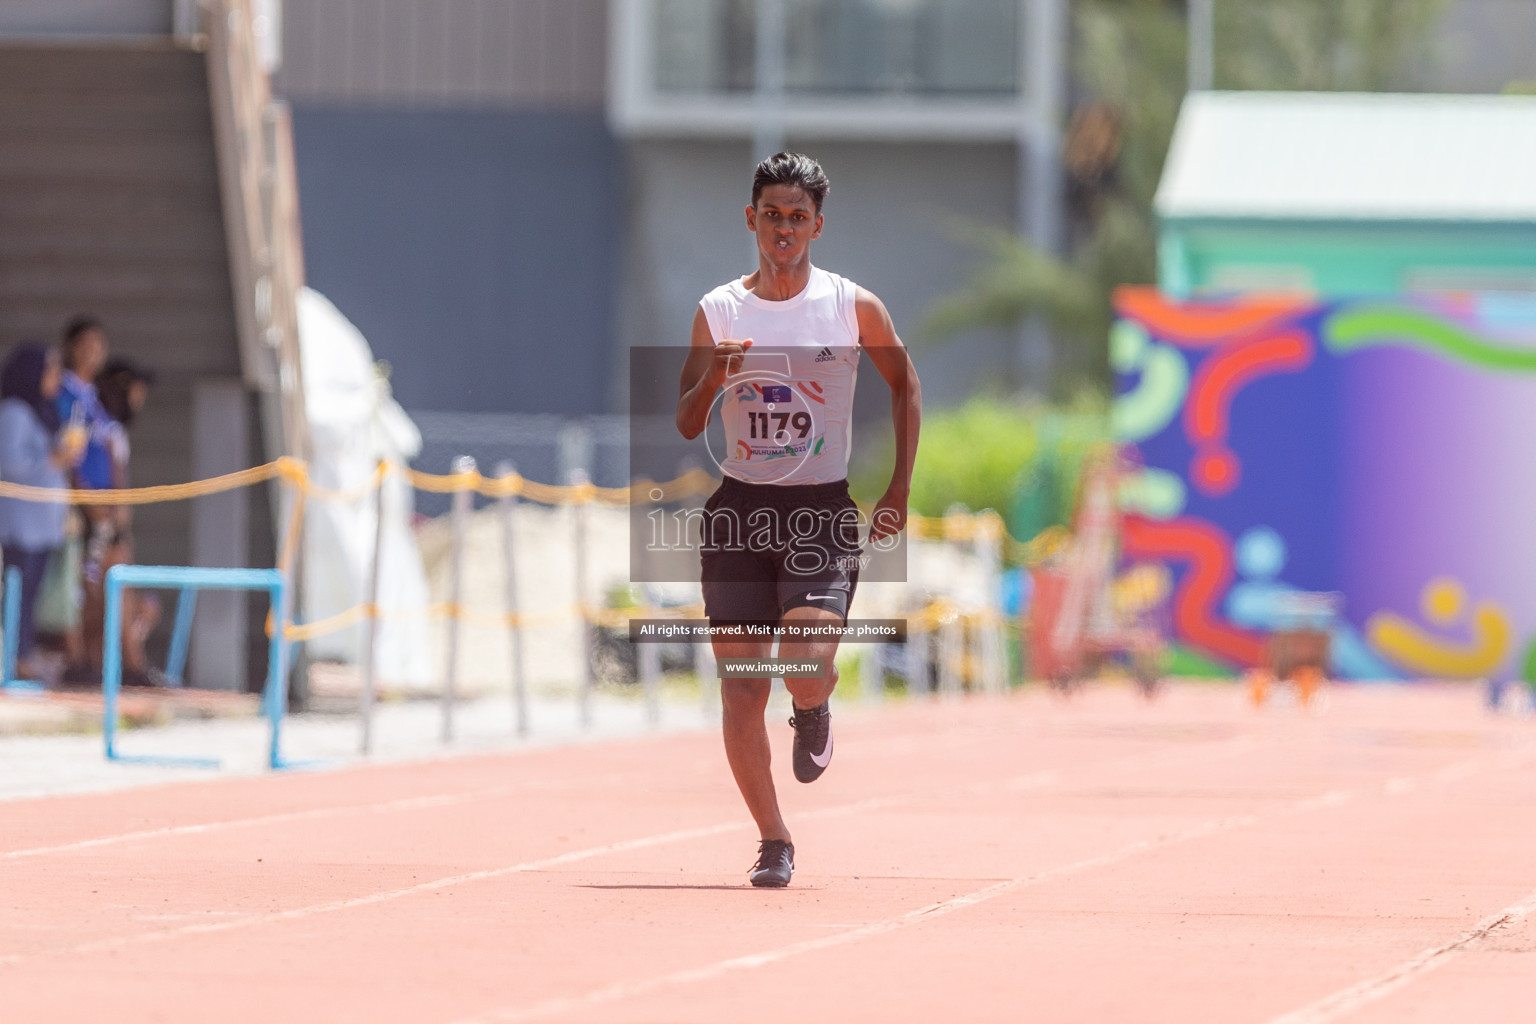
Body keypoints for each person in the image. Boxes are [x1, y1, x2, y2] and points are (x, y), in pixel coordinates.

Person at [676, 153, 921, 887]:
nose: (784, 229)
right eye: (772, 215)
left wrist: (899, 488)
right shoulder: (718, 310)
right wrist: (717, 378)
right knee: (741, 684)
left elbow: (905, 385)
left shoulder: (852, 306)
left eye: (798, 217)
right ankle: (773, 839)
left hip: (817, 508)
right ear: (752, 220)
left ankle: (812, 711)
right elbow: (687, 421)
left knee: (805, 667)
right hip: (740, 511)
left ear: (817, 225)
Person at [0, 343, 82, 681]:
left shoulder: (43, 411)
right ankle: (15, 658)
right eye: (49, 369)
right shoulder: (15, 412)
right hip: (21, 525)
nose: (56, 377)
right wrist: (53, 460)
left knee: (31, 594)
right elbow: (10, 463)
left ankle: (23, 654)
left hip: (43, 524)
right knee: (19, 591)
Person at [94, 358, 163, 685]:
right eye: (136, 389)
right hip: (103, 528)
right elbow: (108, 483)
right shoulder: (105, 429)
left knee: (140, 603)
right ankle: (133, 667)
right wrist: (113, 527)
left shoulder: (110, 428)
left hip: (110, 527)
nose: (141, 396)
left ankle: (130, 664)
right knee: (113, 593)